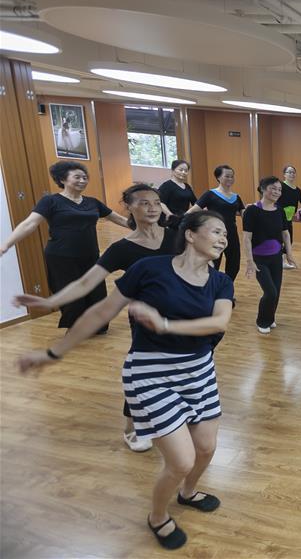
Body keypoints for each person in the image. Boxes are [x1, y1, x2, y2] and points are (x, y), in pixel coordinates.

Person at [17, 210, 234, 550]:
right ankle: (158, 517)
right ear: (191, 235)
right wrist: (53, 353)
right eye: (216, 231)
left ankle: (188, 492)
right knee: (181, 461)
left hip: (199, 372)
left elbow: (219, 322)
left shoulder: (220, 281)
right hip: (150, 374)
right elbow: (102, 311)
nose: (224, 238)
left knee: (206, 449)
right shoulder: (149, 269)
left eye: (225, 234)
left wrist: (164, 324)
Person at [14, 183, 177, 453]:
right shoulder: (122, 248)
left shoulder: (177, 237)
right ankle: (133, 425)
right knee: (140, 373)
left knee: (178, 368)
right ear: (129, 208)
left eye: (156, 202)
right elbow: (85, 282)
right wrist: (51, 301)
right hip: (145, 319)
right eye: (144, 203)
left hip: (183, 314)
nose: (152, 208)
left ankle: (173, 415)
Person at [0, 161, 130, 331]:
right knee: (71, 295)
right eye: (77, 177)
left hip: (90, 255)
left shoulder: (93, 202)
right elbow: (29, 224)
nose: (82, 181)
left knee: (96, 292)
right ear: (62, 179)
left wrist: (144, 228)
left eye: (85, 177)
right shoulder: (50, 201)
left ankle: (97, 326)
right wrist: (6, 244)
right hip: (61, 257)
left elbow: (118, 218)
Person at [242, 177, 296, 334]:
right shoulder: (252, 211)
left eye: (279, 189)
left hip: (276, 257)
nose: (277, 192)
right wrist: (249, 261)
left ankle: (270, 317)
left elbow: (285, 234)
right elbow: (247, 238)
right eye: (273, 188)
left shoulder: (279, 210)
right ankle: (262, 321)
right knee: (270, 292)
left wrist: (289, 254)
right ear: (263, 189)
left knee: (276, 291)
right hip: (259, 259)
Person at [190, 165, 245, 281]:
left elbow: (244, 214)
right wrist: (180, 220)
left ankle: (227, 287)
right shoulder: (210, 194)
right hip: (214, 234)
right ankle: (212, 287)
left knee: (234, 264)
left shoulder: (236, 197)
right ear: (218, 178)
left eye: (232, 176)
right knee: (214, 263)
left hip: (231, 233)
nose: (230, 179)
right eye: (227, 176)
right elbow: (194, 210)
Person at [277, 165, 301, 270]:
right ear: (284, 175)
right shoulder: (280, 186)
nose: (292, 174)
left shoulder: (297, 190)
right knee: (280, 239)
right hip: (279, 217)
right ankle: (280, 261)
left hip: (289, 218)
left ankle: (284, 261)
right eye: (289, 172)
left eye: (293, 172)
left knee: (289, 240)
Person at [158, 160, 197, 228]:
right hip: (170, 221)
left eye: (186, 171)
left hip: (183, 219)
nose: (183, 172)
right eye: (180, 170)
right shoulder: (167, 185)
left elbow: (195, 202)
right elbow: (160, 202)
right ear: (173, 170)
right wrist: (170, 215)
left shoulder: (187, 186)